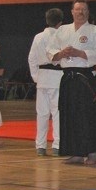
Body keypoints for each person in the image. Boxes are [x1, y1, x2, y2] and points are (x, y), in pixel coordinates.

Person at [48, 0, 96, 165]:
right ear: (72, 12)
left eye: (84, 10)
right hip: (68, 77)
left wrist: (80, 53)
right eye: (78, 9)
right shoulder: (63, 30)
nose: (81, 12)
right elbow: (50, 50)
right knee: (69, 114)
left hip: (85, 77)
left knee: (88, 115)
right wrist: (61, 54)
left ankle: (92, 152)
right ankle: (76, 152)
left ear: (88, 12)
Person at [28, 8, 64, 157]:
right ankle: (57, 145)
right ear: (60, 22)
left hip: (42, 78)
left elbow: (32, 58)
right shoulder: (63, 36)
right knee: (57, 113)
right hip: (58, 78)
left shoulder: (38, 37)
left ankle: (40, 146)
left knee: (42, 113)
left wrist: (36, 77)